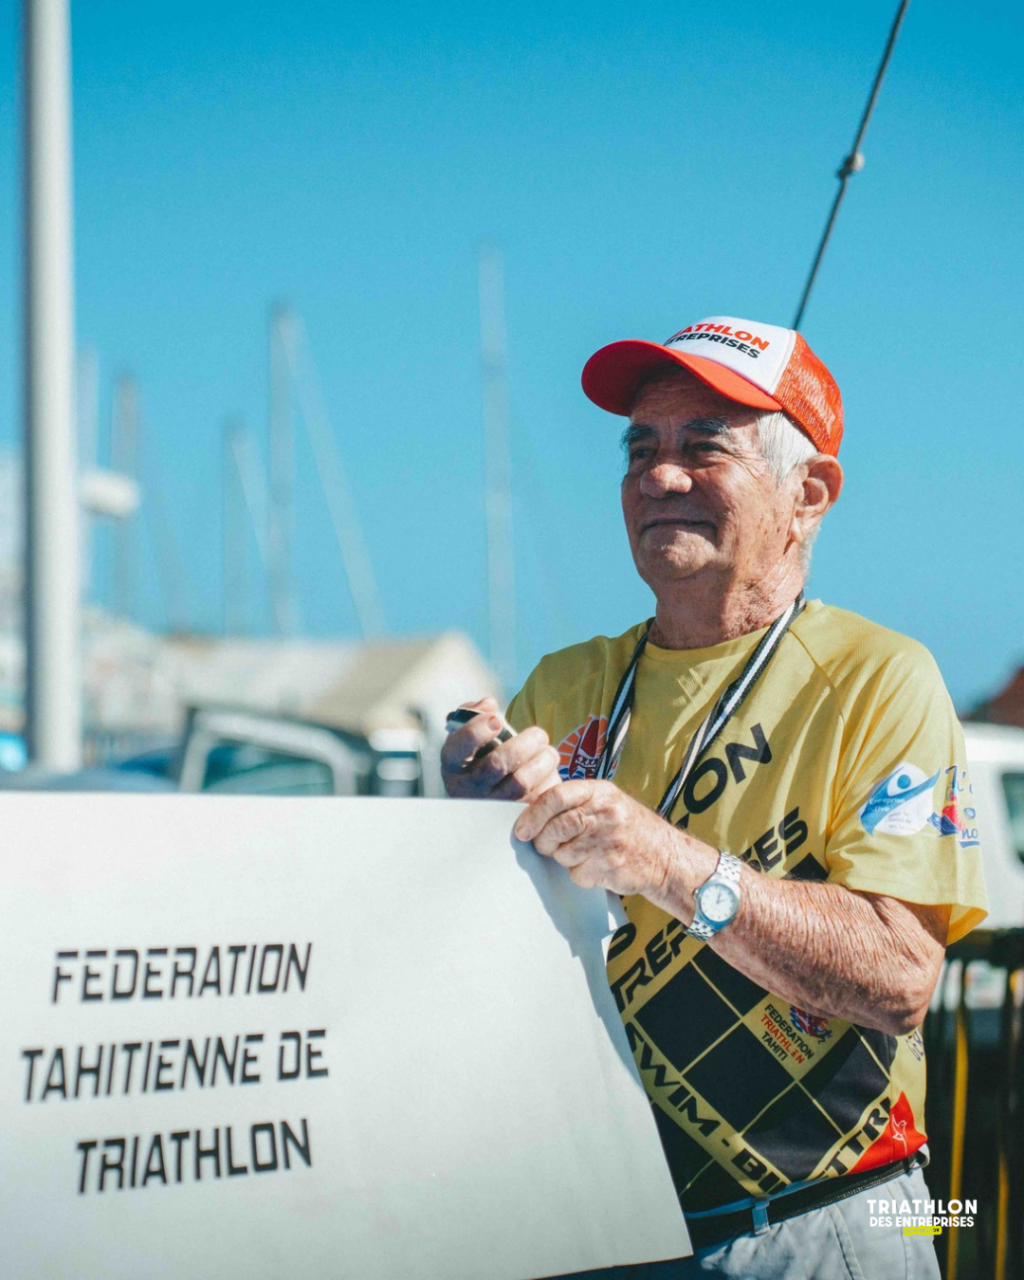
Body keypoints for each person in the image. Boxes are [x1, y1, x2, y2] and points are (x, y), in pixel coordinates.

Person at [442, 315, 988, 1278]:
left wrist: (669, 864)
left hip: (816, 1220)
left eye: (704, 447)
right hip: (600, 1220)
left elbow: (901, 979)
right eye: (639, 449)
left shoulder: (880, 678)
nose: (660, 476)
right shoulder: (564, 682)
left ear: (807, 496)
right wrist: (467, 819)